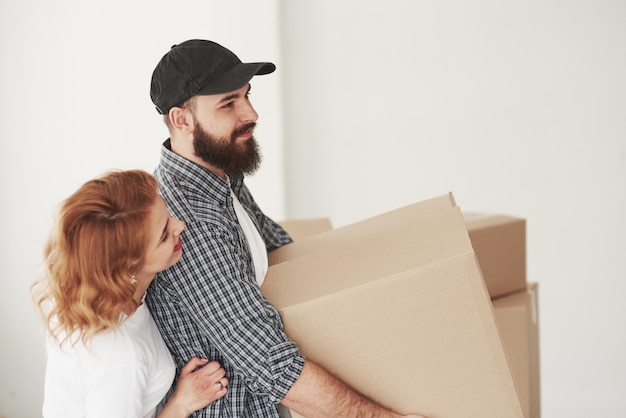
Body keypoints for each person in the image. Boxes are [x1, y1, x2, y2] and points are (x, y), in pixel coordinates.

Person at [146, 39, 428, 418]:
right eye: (229, 104)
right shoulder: (187, 222)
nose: (251, 113)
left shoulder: (218, 177)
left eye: (247, 96)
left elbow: (282, 253)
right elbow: (272, 366)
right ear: (182, 120)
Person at [31, 169, 230, 418]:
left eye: (168, 215)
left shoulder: (76, 298)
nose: (181, 226)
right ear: (127, 268)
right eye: (164, 234)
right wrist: (183, 403)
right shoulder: (121, 358)